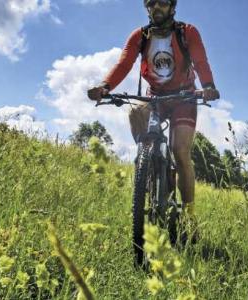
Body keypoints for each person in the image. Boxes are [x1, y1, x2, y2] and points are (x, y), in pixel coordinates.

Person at [87, 0, 219, 234]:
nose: (157, 7)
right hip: (155, 96)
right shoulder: (140, 36)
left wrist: (208, 85)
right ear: (147, 8)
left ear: (172, 7)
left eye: (162, 3)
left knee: (180, 151)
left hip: (183, 97)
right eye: (152, 3)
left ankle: (189, 217)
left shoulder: (187, 32)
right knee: (135, 111)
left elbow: (200, 61)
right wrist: (105, 86)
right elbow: (124, 62)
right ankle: (147, 165)